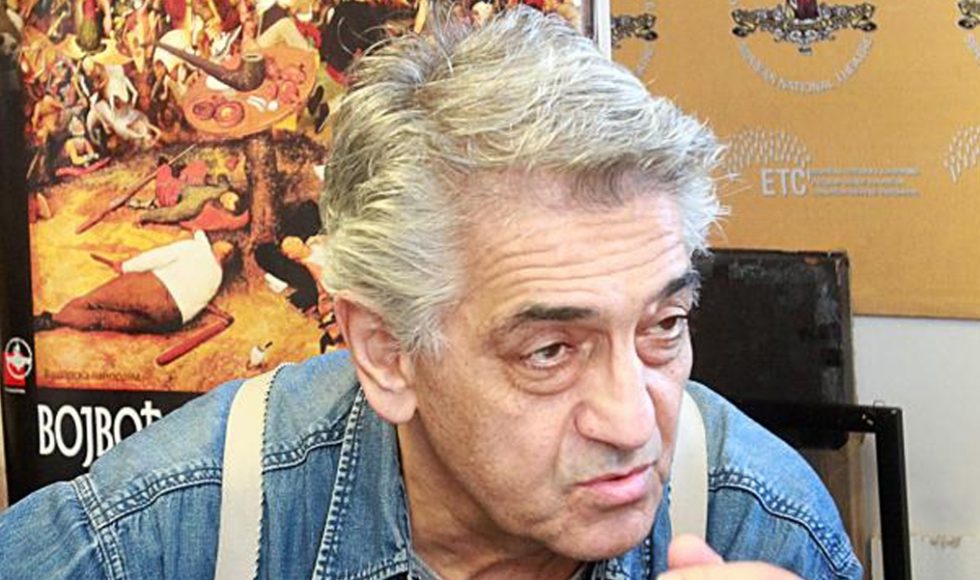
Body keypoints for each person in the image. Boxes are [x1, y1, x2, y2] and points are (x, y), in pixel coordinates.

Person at [0, 8, 863, 580]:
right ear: (386, 352)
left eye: (664, 326)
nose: (635, 421)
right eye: (550, 352)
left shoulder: (760, 524)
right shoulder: (179, 529)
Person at [33, 231, 236, 333]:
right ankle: (58, 320)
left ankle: (52, 320)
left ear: (223, 251)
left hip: (156, 291)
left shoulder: (197, 249)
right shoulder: (216, 279)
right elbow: (201, 238)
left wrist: (126, 267)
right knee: (105, 320)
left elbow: (159, 256)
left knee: (91, 302)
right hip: (171, 320)